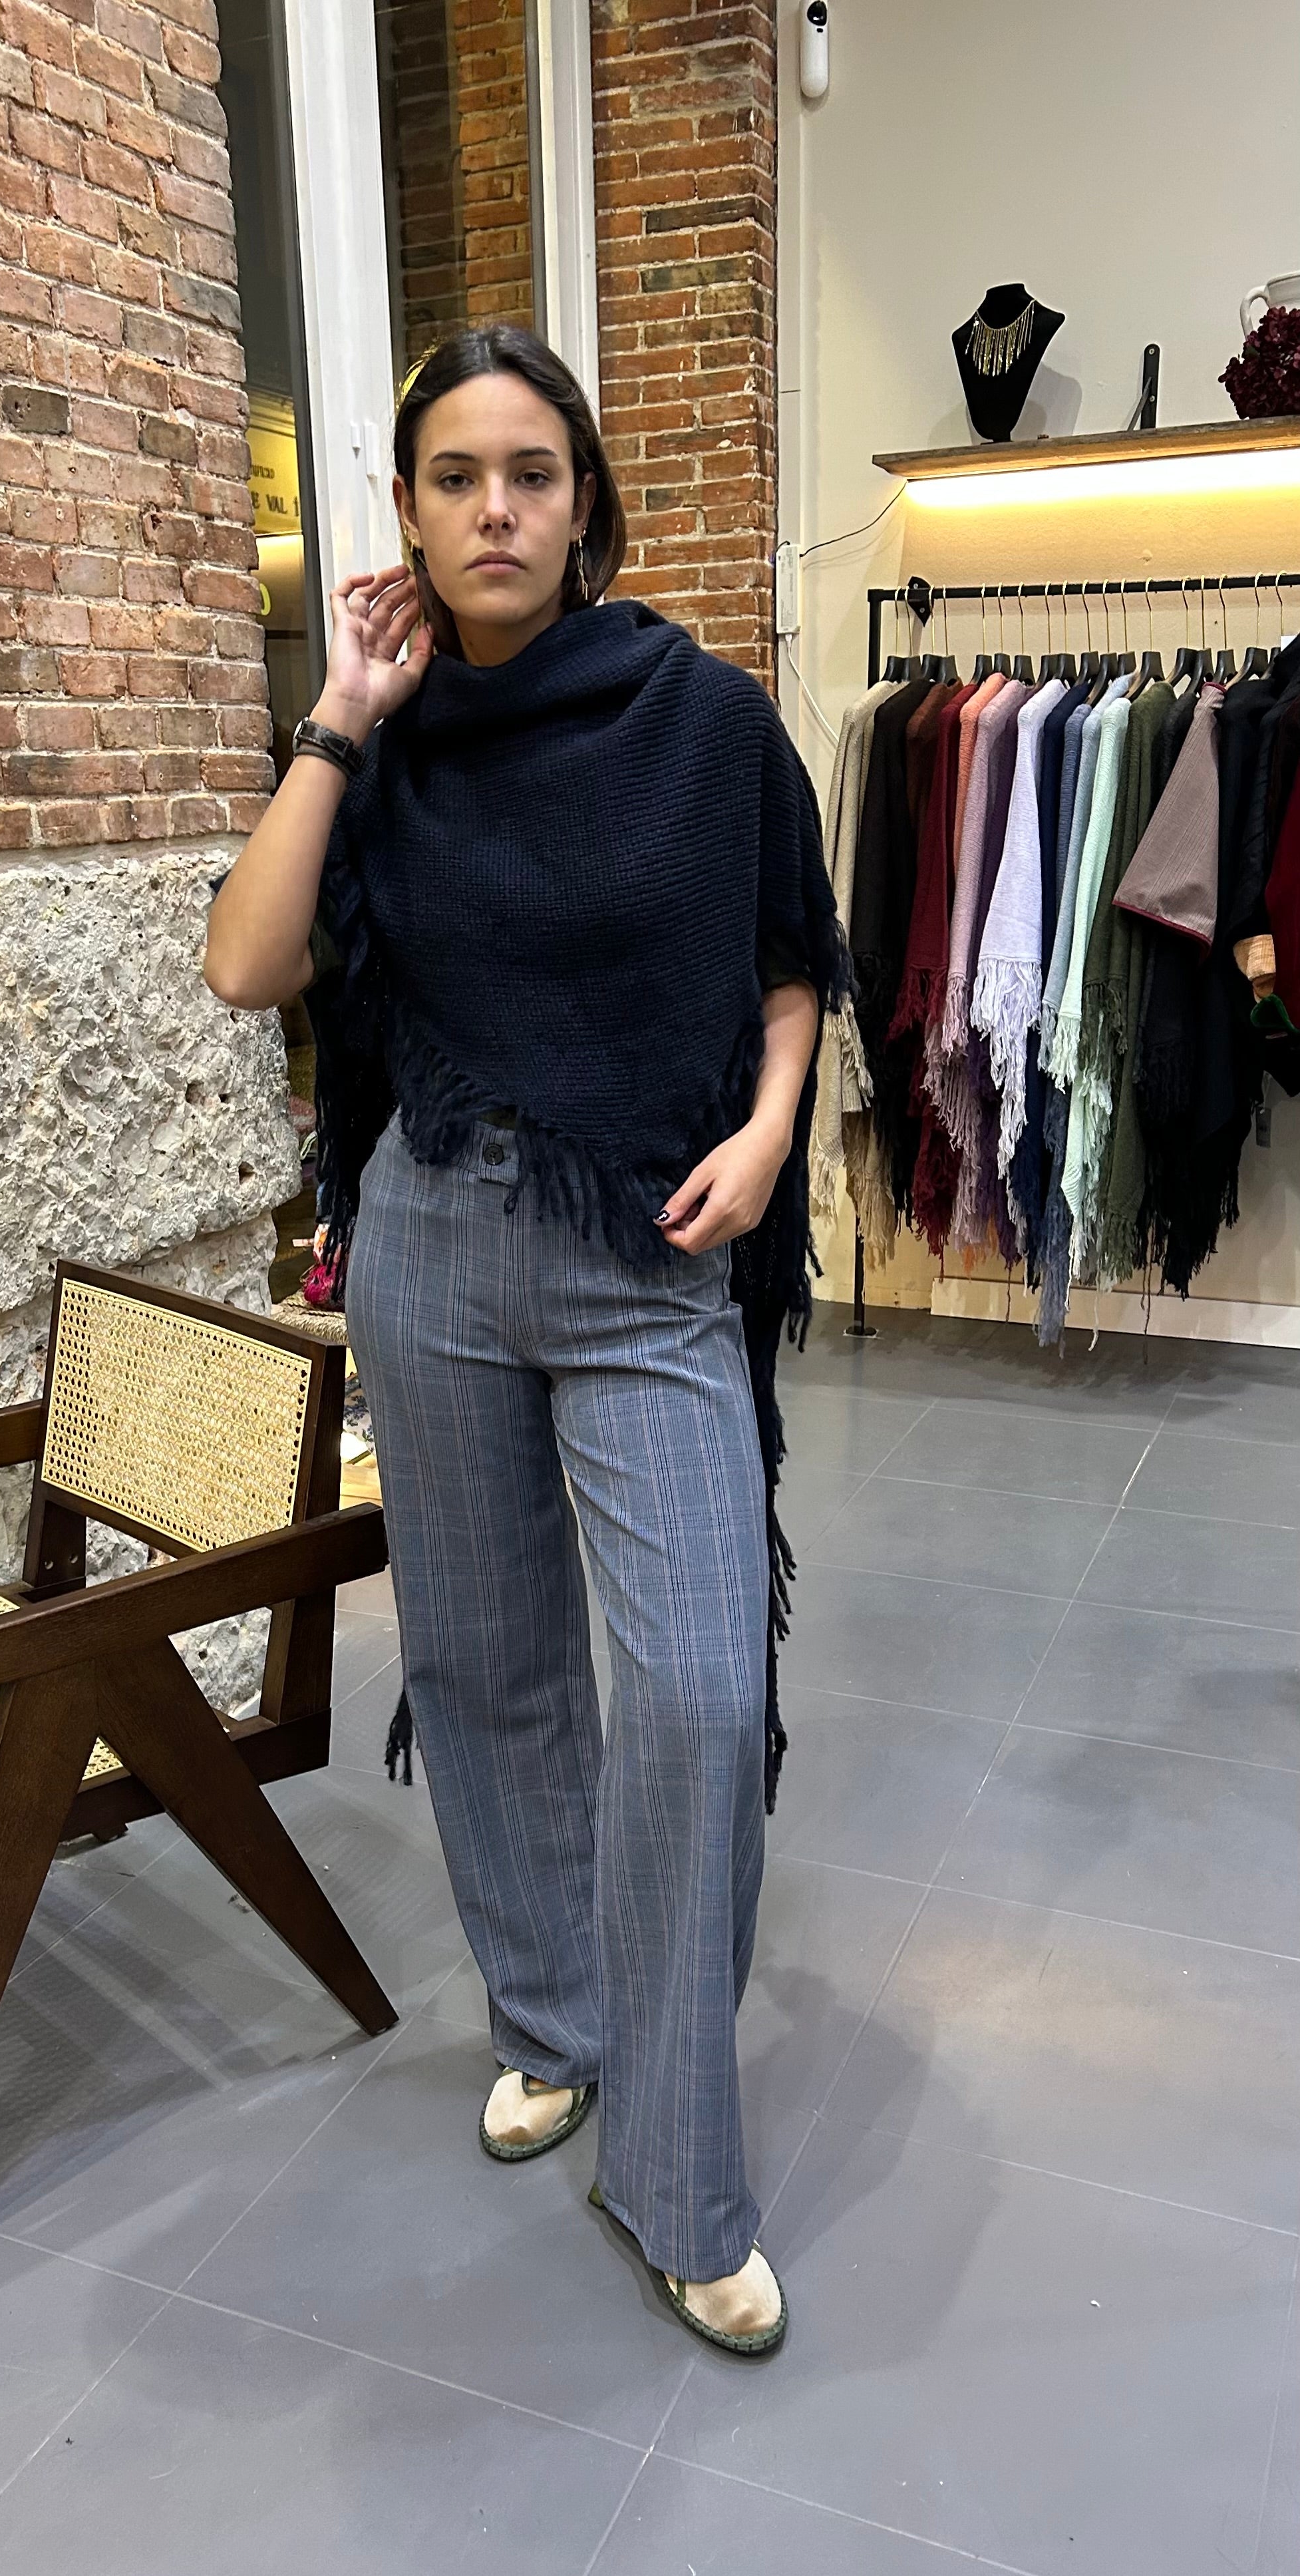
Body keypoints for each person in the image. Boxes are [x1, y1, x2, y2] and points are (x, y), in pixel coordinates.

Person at [204, 323, 842, 2356]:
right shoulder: (379, 741)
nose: (494, 509)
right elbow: (248, 964)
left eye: (531, 474)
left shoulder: (698, 717)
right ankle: (553, 2019)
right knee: (484, 1669)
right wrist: (337, 715)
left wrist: (767, 1132)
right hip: (428, 1238)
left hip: (646, 1241)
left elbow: (790, 959)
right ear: (403, 512)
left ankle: (677, 2168)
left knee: (692, 1696)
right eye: (454, 476)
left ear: (584, 504)